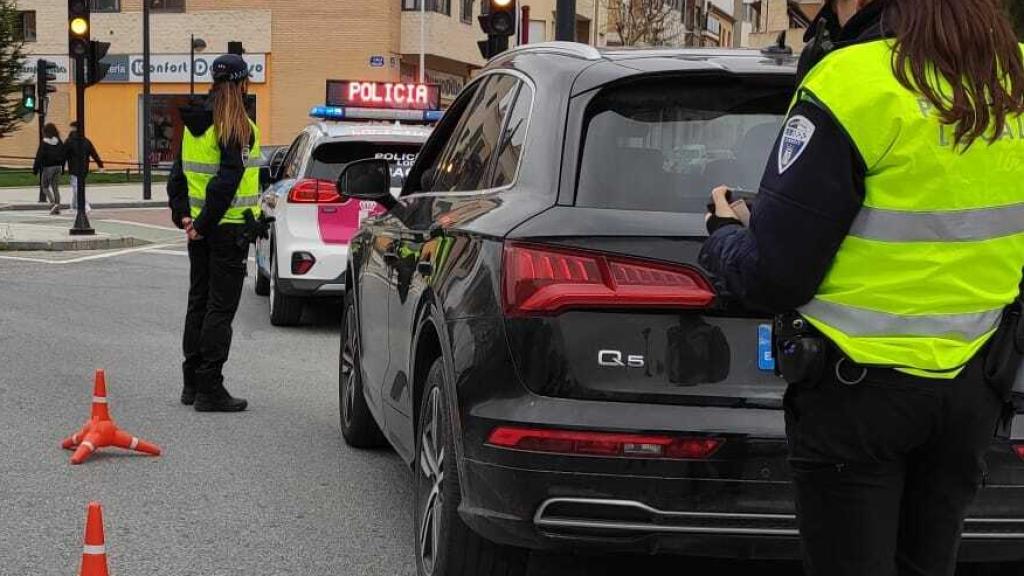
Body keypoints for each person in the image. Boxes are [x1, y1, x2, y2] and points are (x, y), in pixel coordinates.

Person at [699, 0, 1024, 575]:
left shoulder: (853, 81)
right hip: (974, 386)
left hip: (858, 394)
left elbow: (774, 276)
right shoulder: (1011, 74)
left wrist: (724, 235)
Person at [167, 54, 261, 413]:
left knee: (198, 304)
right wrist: (203, 224)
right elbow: (226, 182)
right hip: (227, 230)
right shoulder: (236, 126)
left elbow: (178, 177)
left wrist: (186, 219)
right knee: (220, 310)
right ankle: (210, 387)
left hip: (201, 232)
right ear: (242, 84)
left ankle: (191, 383)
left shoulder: (194, 125)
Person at [65, 121, 103, 214]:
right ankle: (73, 206)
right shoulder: (86, 141)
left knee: (77, 188)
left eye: (72, 128)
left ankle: (86, 205)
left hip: (73, 168)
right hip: (84, 168)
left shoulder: (69, 141)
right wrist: (100, 164)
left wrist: (61, 165)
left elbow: (63, 154)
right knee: (77, 187)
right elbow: (94, 153)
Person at [32, 123, 65, 215]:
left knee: (45, 187)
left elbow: (39, 156)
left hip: (48, 167)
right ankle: (57, 207)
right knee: (55, 188)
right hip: (58, 167)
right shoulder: (59, 142)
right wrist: (62, 166)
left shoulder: (44, 143)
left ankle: (52, 204)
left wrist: (35, 169)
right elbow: (63, 154)